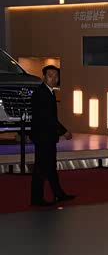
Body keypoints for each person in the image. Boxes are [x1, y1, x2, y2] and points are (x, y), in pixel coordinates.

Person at [30, 65, 75, 206]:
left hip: (47, 137)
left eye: (56, 76)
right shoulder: (41, 93)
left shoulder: (49, 92)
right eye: (50, 76)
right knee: (41, 168)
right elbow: (48, 118)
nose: (54, 79)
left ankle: (58, 194)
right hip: (43, 137)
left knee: (49, 167)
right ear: (44, 76)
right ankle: (37, 198)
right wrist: (64, 131)